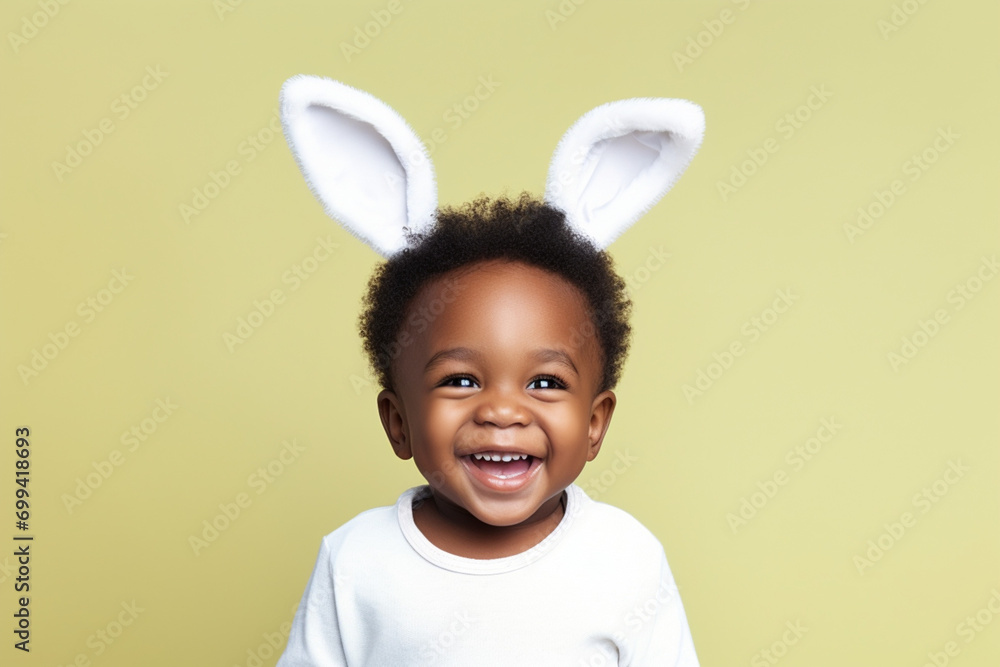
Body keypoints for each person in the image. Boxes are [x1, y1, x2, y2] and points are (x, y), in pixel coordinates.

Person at [274, 75, 705, 666]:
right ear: (397, 421)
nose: (502, 411)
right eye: (461, 380)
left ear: (595, 422)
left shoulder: (626, 558)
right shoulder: (356, 560)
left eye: (546, 383)